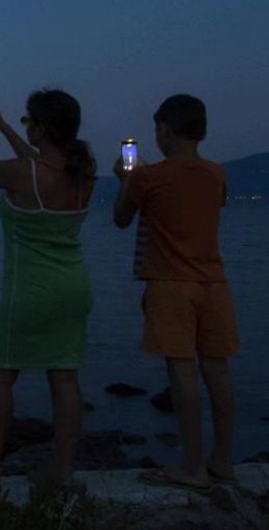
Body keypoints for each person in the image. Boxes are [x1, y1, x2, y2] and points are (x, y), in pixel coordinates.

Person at [0, 89, 97, 487]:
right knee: (63, 378)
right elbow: (43, 164)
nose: (26, 126)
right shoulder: (84, 172)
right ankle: (62, 472)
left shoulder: (23, 173)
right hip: (74, 290)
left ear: (43, 128)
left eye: (29, 121)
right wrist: (3, 126)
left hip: (30, 293)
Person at [112, 94, 239, 491]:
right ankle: (223, 459)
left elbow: (120, 218)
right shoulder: (216, 173)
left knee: (182, 373)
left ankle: (192, 465)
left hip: (170, 285)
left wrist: (129, 180)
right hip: (214, 284)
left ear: (165, 129)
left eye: (157, 129)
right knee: (217, 370)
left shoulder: (150, 177)